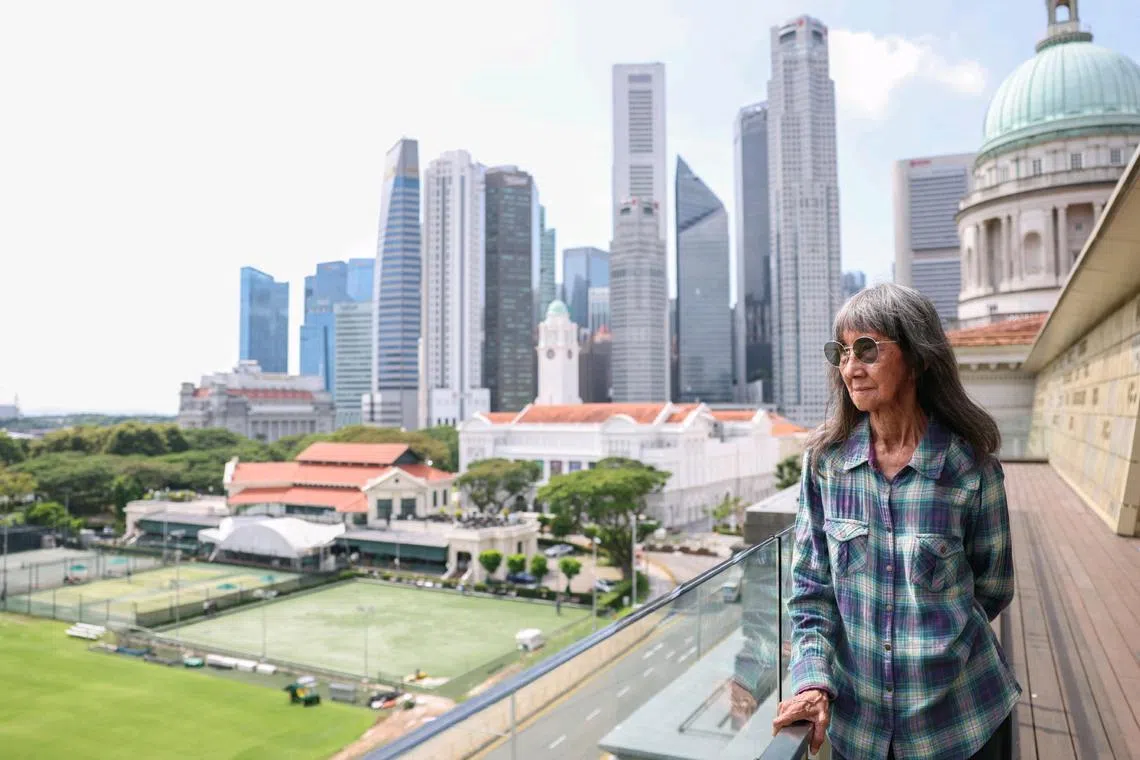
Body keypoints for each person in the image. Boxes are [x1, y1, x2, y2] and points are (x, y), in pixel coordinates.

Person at [772, 284, 1020, 760]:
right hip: (857, 734)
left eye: (867, 349)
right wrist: (811, 680)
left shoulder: (971, 470)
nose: (850, 367)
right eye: (841, 352)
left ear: (919, 358)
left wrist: (933, 650)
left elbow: (994, 586)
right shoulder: (825, 465)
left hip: (960, 726)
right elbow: (809, 590)